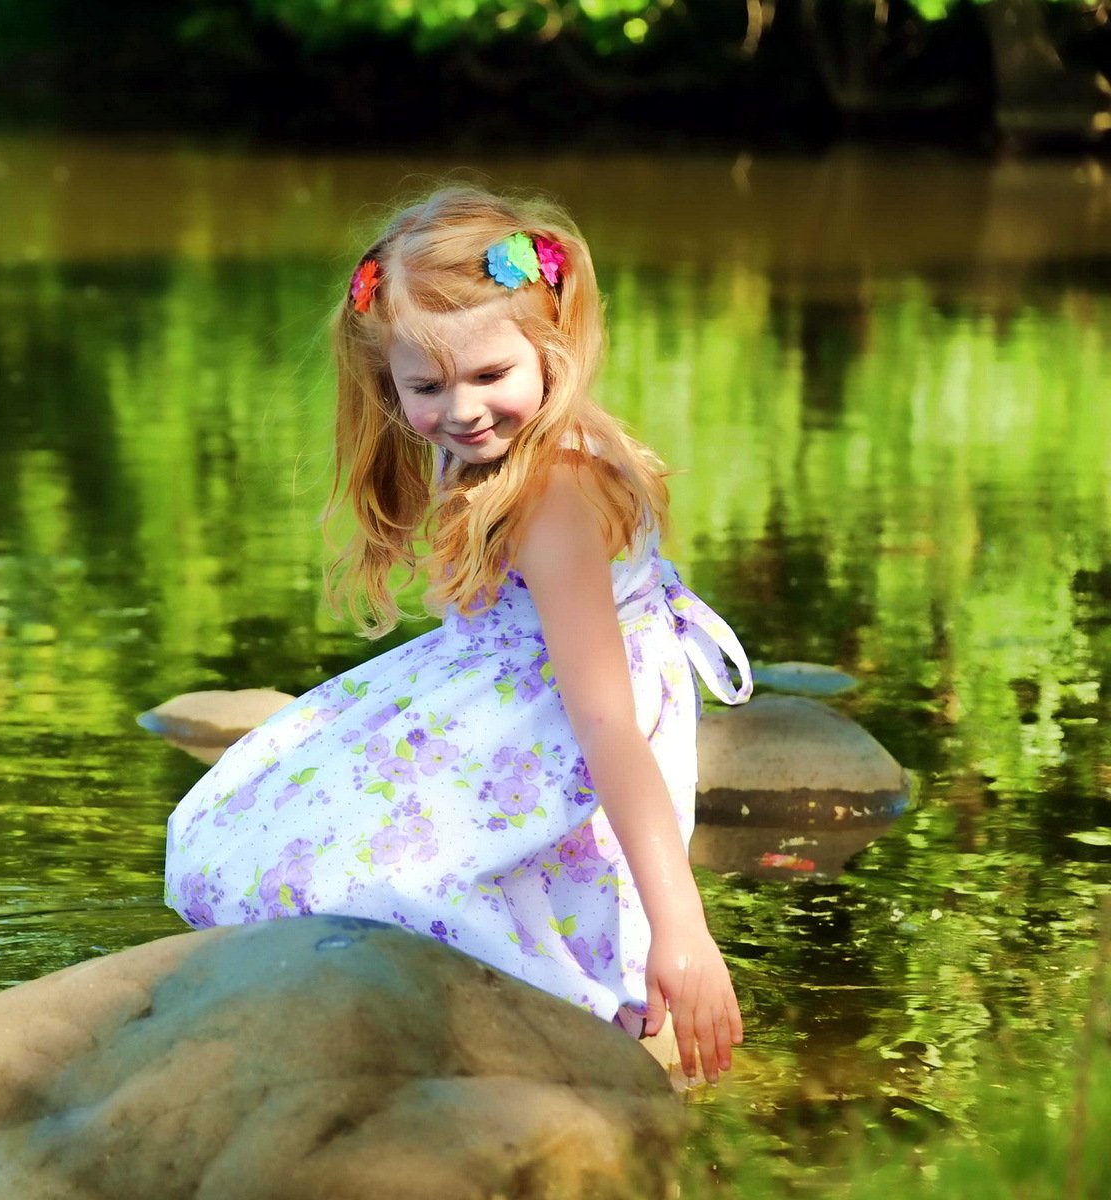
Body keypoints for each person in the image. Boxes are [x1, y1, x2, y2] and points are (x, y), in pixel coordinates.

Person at [163, 185, 753, 1083]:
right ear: (386, 380)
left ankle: (524, 1024)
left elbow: (603, 723)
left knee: (362, 874)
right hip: (513, 694)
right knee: (264, 817)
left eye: (489, 377)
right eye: (426, 387)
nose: (463, 410)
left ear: (552, 353)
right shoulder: (504, 447)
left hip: (562, 718)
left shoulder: (553, 492)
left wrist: (684, 931)